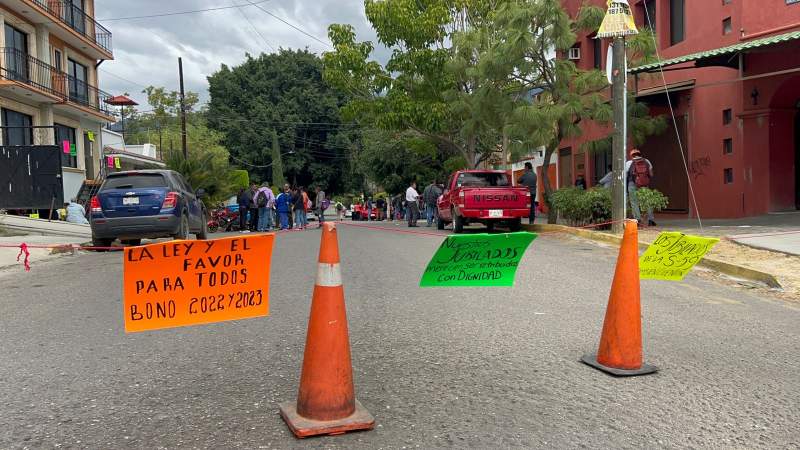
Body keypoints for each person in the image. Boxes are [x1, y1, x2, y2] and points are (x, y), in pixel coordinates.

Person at [625, 148, 657, 227]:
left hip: (632, 184)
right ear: (640, 154)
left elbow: (625, 175)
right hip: (644, 184)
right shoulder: (647, 161)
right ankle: (651, 220)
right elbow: (651, 174)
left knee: (634, 202)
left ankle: (638, 219)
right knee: (647, 201)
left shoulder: (629, 163)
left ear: (631, 155)